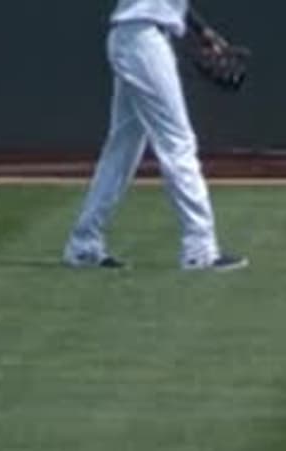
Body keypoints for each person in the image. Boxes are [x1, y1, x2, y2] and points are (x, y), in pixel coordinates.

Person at [63, 2, 248, 272]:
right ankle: (200, 250)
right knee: (177, 142)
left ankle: (84, 244)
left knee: (124, 147)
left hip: (137, 36)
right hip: (143, 39)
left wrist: (202, 30)